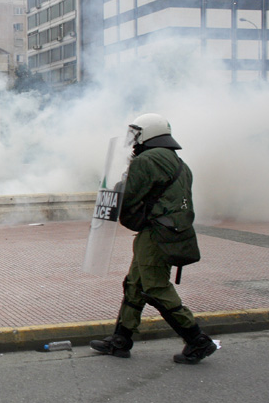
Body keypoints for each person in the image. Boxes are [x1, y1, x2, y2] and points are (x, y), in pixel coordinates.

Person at [90, 113, 215, 365]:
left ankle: (197, 339)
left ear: (148, 133)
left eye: (137, 133)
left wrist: (116, 194)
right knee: (135, 285)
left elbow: (131, 196)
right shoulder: (174, 160)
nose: (133, 139)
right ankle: (121, 340)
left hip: (155, 234)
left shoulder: (147, 159)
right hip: (168, 232)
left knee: (155, 287)